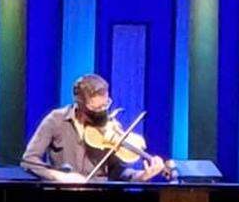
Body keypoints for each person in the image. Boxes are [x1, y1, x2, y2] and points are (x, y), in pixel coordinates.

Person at [22, 73, 166, 183]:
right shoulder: (56, 119)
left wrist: (141, 176)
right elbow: (29, 160)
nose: (102, 111)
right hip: (62, 197)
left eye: (106, 105)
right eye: (95, 107)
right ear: (80, 103)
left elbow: (116, 171)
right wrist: (59, 176)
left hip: (99, 198)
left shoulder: (110, 126)